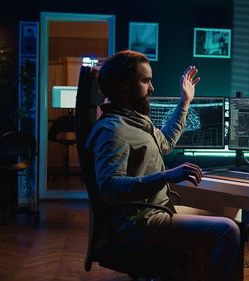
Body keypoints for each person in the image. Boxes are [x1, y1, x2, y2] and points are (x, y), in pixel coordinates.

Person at [86, 50, 240, 281]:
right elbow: (110, 187)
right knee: (228, 232)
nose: (152, 88)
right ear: (124, 85)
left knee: (219, 218)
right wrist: (166, 176)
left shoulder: (135, 120)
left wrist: (185, 102)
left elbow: (165, 142)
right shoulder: (113, 130)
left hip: (154, 211)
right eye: (145, 80)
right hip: (140, 223)